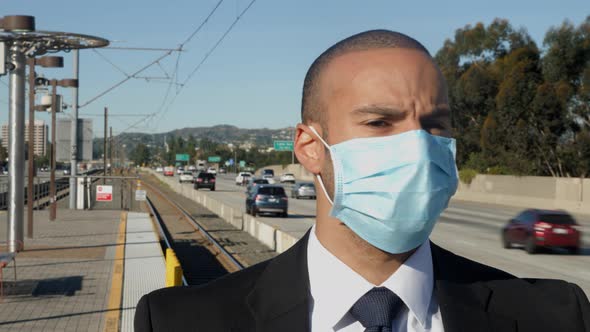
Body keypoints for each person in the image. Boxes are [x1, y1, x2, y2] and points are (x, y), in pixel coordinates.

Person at [134, 30, 590, 332]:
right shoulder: (181, 321)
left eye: (435, 125)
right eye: (379, 123)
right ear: (310, 146)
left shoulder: (556, 315)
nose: (417, 147)